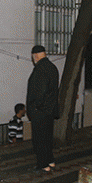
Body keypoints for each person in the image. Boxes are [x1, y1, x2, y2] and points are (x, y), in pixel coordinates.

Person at [26, 45, 59, 173]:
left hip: (40, 111)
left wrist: (35, 107)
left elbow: (40, 91)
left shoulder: (40, 69)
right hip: (50, 110)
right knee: (47, 137)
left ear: (35, 56)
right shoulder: (52, 67)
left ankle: (43, 165)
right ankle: (50, 160)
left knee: (39, 139)